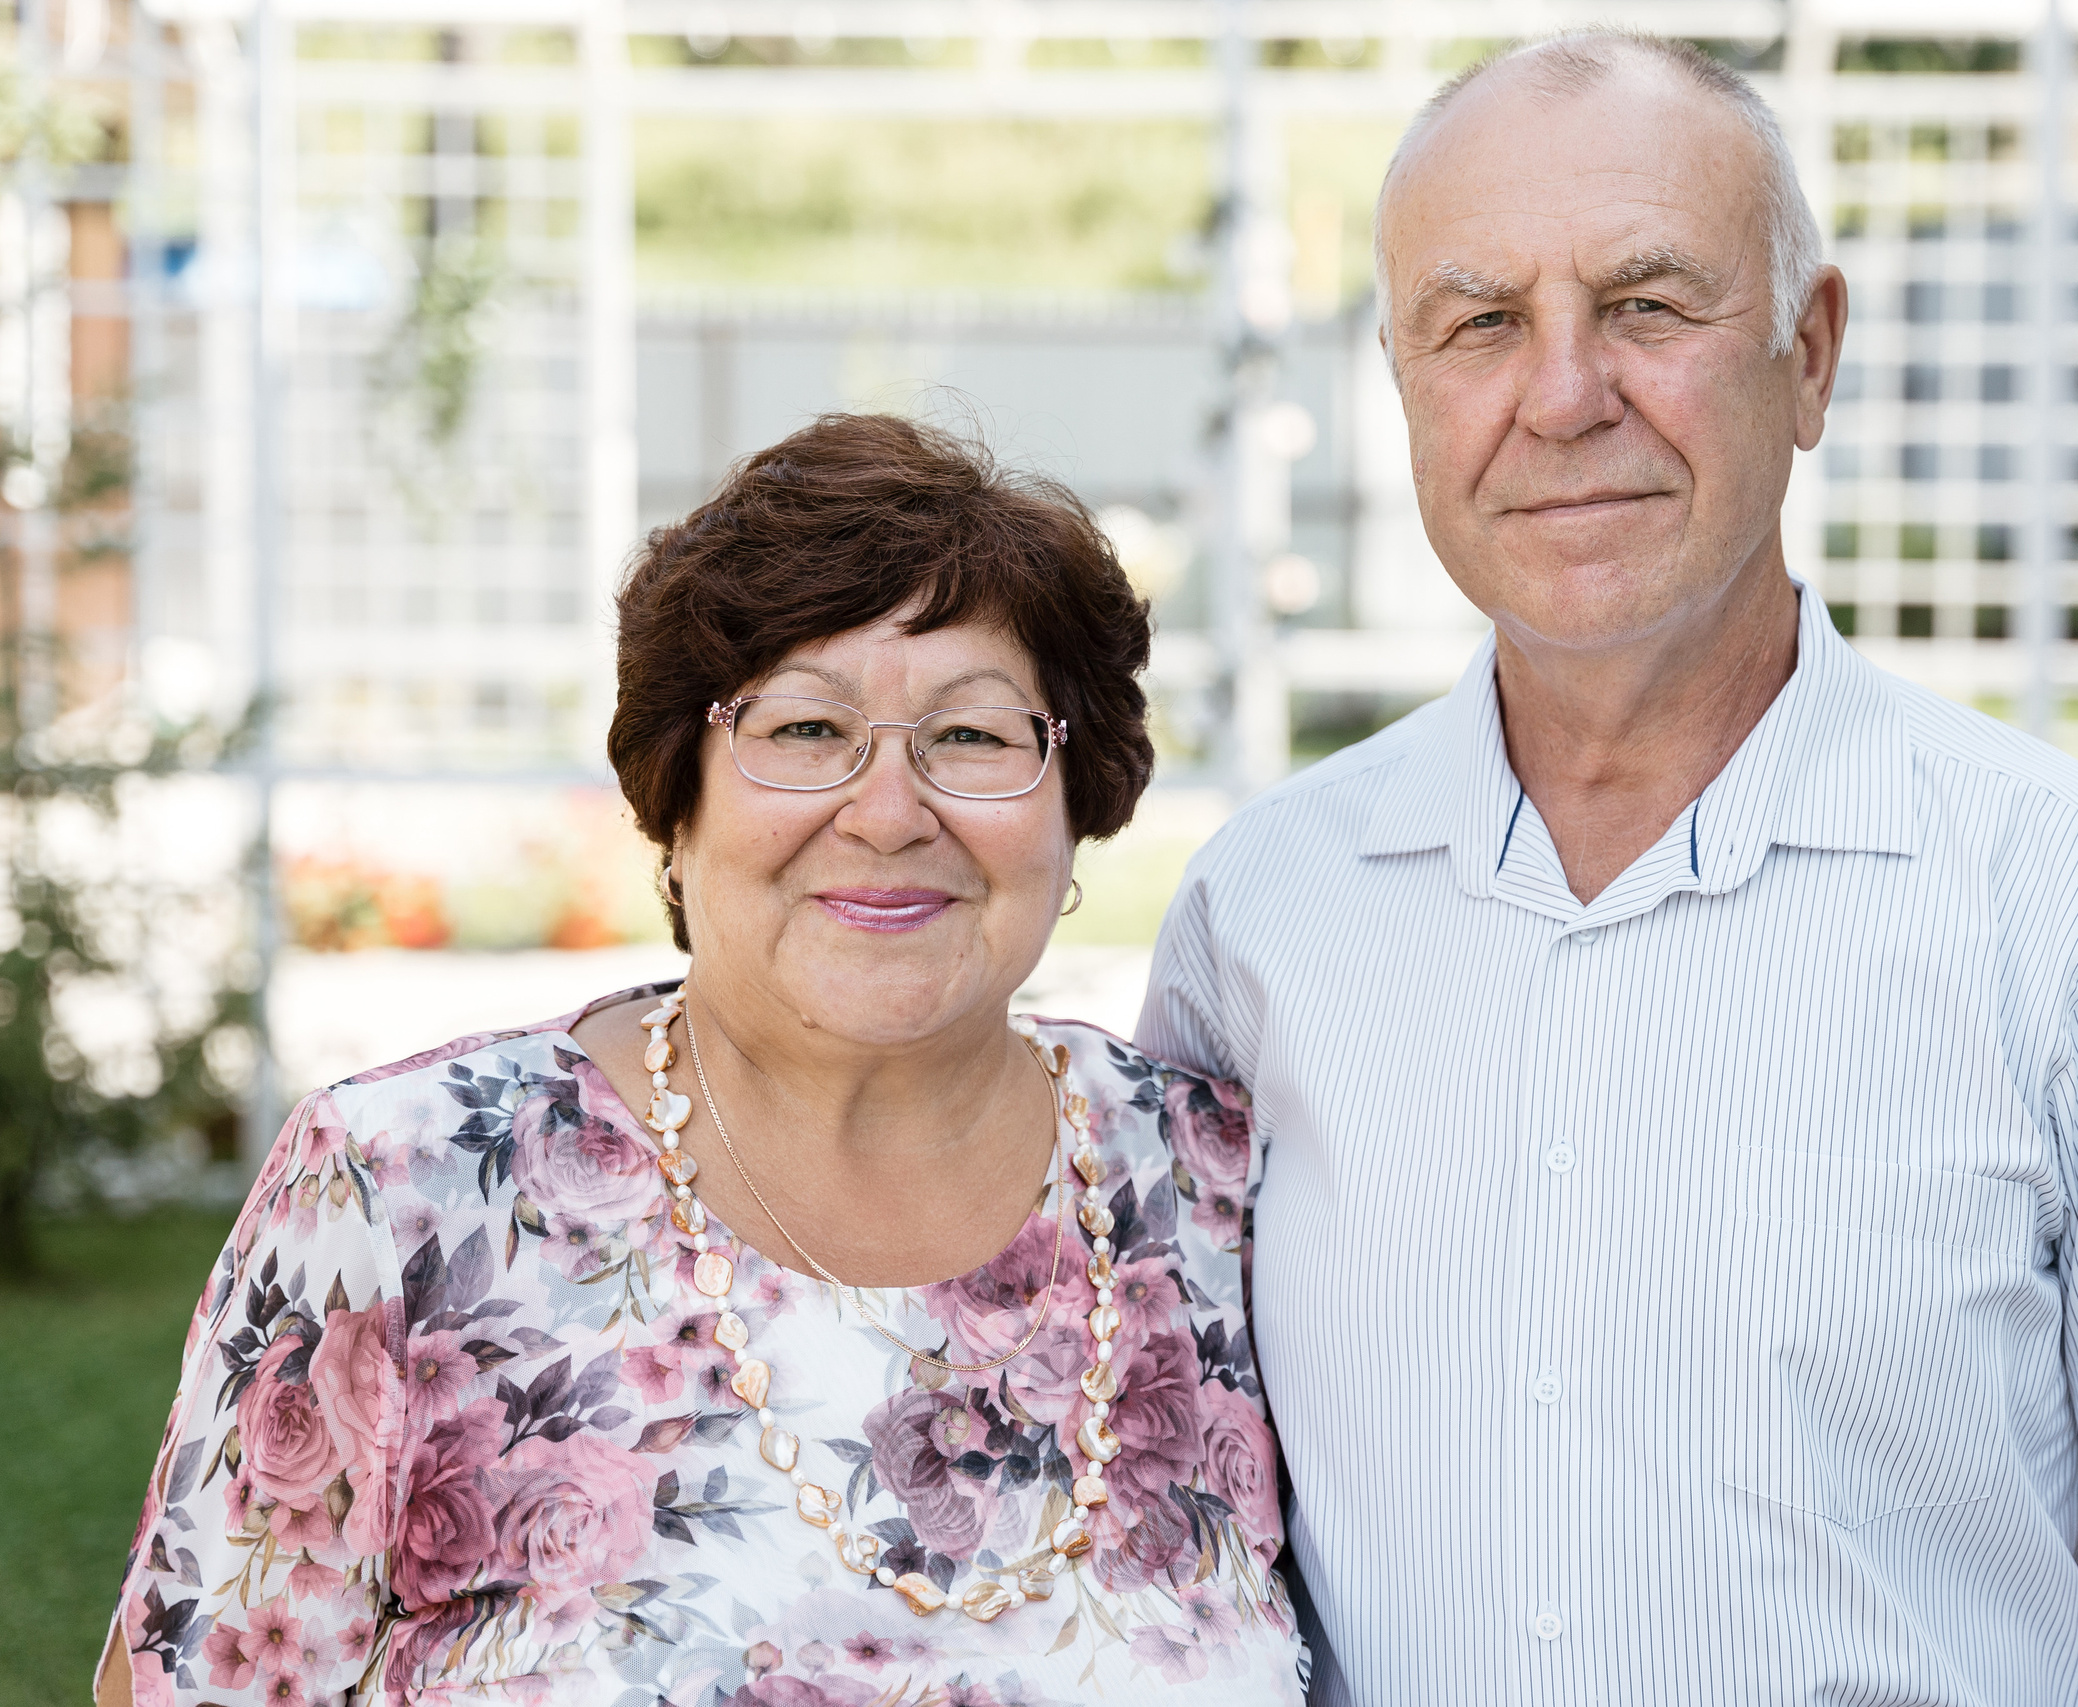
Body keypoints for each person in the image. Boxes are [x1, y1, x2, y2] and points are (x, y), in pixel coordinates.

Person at [1138, 30, 2078, 1707]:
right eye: (1480, 326)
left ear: (1808, 356)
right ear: (1404, 386)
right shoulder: (1263, 919)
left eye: (1650, 305)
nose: (1562, 394)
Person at [102, 415, 1308, 1706]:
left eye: (971, 737)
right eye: (802, 731)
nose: (891, 812)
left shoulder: (1218, 1183)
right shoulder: (406, 1188)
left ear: (1079, 807)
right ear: (675, 799)